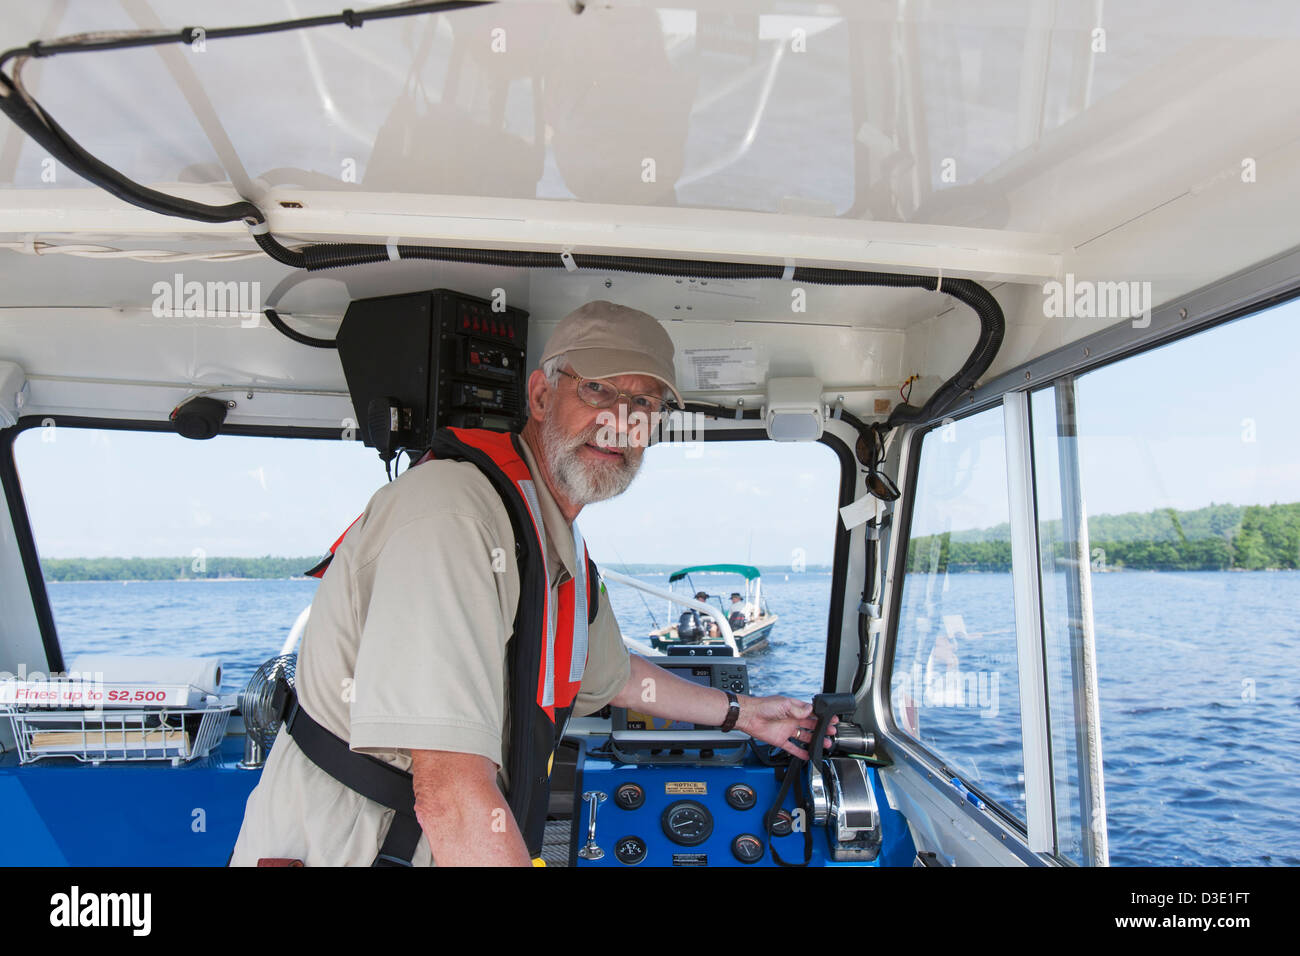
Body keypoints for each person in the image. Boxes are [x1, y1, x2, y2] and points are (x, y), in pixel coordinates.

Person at [231, 299, 834, 866]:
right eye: (598, 388)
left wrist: (747, 714)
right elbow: (451, 793)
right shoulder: (455, 515)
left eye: (644, 404)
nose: (619, 421)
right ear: (542, 396)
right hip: (360, 848)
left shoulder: (556, 539)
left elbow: (616, 678)